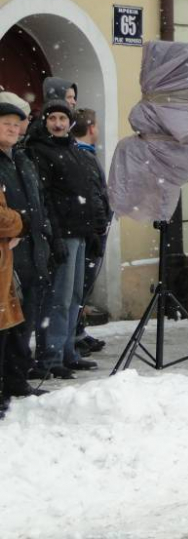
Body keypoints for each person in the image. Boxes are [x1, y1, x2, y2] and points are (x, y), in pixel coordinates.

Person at [26, 100, 106, 379]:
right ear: (45, 121)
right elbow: (45, 198)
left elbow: (84, 190)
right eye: (53, 118)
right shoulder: (39, 150)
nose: (58, 123)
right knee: (57, 298)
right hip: (62, 234)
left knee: (74, 298)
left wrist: (94, 231)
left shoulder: (72, 148)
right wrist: (55, 237)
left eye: (63, 118)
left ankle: (69, 350)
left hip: (80, 233)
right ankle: (50, 356)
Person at [0, 102, 44, 408]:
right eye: (5, 124)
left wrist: (44, 237)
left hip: (27, 248)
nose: (12, 129)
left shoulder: (23, 158)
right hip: (8, 248)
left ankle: (16, 379)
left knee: (19, 319)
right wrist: (18, 224)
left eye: (17, 124)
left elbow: (39, 203)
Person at [71, 109, 112, 356]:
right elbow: (93, 195)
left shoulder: (85, 155)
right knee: (80, 286)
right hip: (90, 231)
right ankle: (74, 335)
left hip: (91, 229)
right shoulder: (83, 157)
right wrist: (100, 226)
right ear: (92, 128)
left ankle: (78, 332)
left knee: (82, 287)